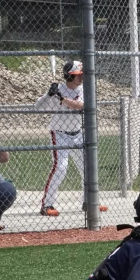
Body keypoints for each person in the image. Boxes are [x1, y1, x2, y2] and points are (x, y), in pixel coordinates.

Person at [34, 60, 108, 216]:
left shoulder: (83, 89)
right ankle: (46, 205)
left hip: (77, 134)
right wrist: (49, 95)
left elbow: (80, 106)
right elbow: (37, 107)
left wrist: (62, 99)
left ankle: (90, 202)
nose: (81, 78)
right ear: (69, 77)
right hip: (59, 133)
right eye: (78, 75)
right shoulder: (58, 89)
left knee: (87, 169)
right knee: (60, 168)